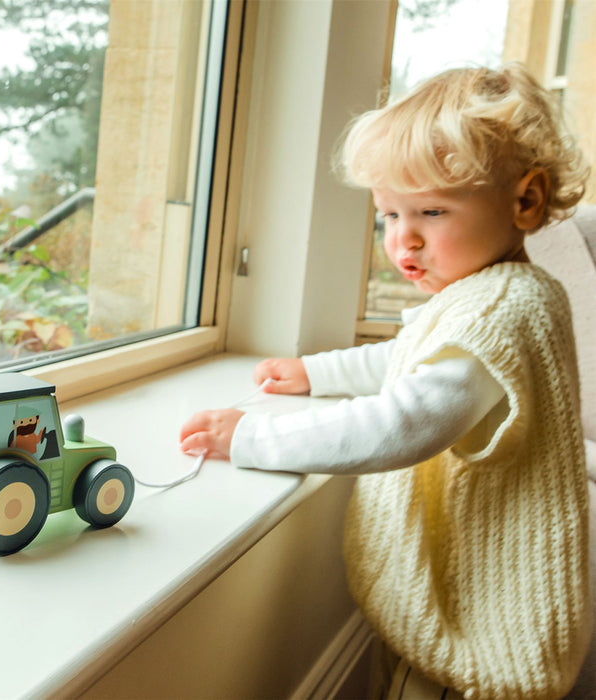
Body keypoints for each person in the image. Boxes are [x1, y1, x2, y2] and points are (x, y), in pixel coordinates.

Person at [179, 63, 592, 699]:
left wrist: (254, 439)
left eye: (431, 210)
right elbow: (407, 358)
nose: (405, 240)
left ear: (526, 200)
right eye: (388, 216)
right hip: (467, 594)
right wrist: (314, 372)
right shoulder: (484, 296)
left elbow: (407, 421)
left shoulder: (506, 309)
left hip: (485, 620)